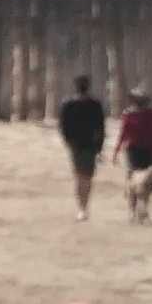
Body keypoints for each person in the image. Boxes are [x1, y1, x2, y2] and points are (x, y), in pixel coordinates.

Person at [57, 75, 105, 221]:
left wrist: (68, 142)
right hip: (88, 145)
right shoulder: (94, 104)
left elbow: (63, 126)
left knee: (80, 177)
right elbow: (101, 128)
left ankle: (82, 208)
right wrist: (100, 146)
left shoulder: (69, 104)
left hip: (78, 145)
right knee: (86, 178)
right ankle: (83, 207)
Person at [113, 88, 152, 223]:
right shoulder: (128, 114)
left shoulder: (149, 114)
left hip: (146, 151)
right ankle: (133, 211)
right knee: (133, 182)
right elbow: (123, 133)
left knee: (148, 183)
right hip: (133, 151)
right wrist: (116, 150)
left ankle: (143, 210)